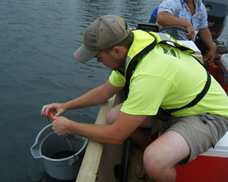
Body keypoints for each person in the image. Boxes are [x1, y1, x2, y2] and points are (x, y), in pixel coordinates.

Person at [41, 15, 228, 182]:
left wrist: (69, 126)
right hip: (176, 106)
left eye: (98, 57)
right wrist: (65, 105)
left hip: (209, 114)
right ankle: (150, 145)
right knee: (113, 117)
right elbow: (103, 91)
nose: (98, 62)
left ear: (116, 51)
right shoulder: (132, 47)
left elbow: (116, 136)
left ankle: (155, 156)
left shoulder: (149, 73)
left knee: (154, 161)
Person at [156, 0, 217, 67]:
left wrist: (212, 47)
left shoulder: (199, 5)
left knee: (207, 49)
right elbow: (161, 17)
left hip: (188, 49)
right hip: (167, 47)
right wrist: (186, 23)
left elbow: (203, 28)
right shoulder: (173, 2)